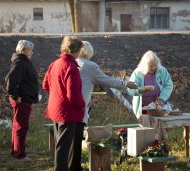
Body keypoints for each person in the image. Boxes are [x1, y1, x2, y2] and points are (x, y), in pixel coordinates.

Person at [73, 41, 138, 170]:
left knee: (71, 139)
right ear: (88, 53)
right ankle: (75, 166)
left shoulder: (73, 63)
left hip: (67, 106)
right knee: (76, 139)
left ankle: (71, 165)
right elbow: (106, 81)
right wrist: (125, 83)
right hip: (80, 107)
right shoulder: (89, 65)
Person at [42, 36, 85, 171]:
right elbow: (73, 94)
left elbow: (45, 85)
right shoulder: (71, 67)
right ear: (76, 51)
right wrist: (82, 105)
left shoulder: (54, 63)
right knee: (63, 147)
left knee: (59, 145)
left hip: (55, 108)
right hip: (67, 112)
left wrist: (57, 94)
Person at [5, 40, 39, 161]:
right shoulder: (20, 62)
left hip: (23, 98)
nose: (32, 52)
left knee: (17, 125)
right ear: (23, 50)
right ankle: (20, 154)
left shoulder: (22, 61)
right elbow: (10, 80)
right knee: (21, 126)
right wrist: (14, 96)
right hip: (21, 99)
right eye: (30, 50)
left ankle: (15, 151)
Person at [128, 50, 173, 119]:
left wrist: (162, 98)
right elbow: (130, 89)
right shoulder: (137, 73)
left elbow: (169, 85)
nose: (153, 68)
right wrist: (140, 90)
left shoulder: (162, 70)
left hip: (158, 106)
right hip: (143, 107)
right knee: (147, 125)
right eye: (150, 66)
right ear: (145, 65)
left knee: (162, 124)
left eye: (155, 65)